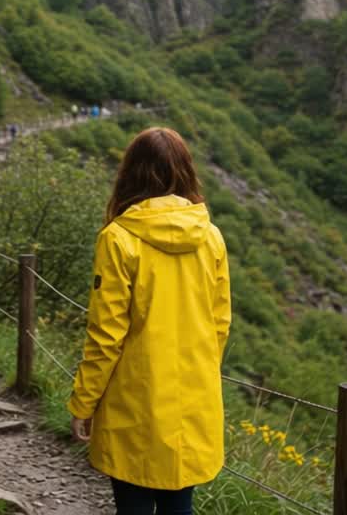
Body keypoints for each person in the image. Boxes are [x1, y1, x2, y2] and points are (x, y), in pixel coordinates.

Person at [67, 127, 231, 515]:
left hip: (134, 401)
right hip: (193, 398)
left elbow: (106, 335)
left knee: (133, 505)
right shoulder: (210, 237)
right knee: (179, 506)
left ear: (131, 172)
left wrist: (83, 402)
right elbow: (220, 323)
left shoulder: (118, 238)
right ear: (186, 171)